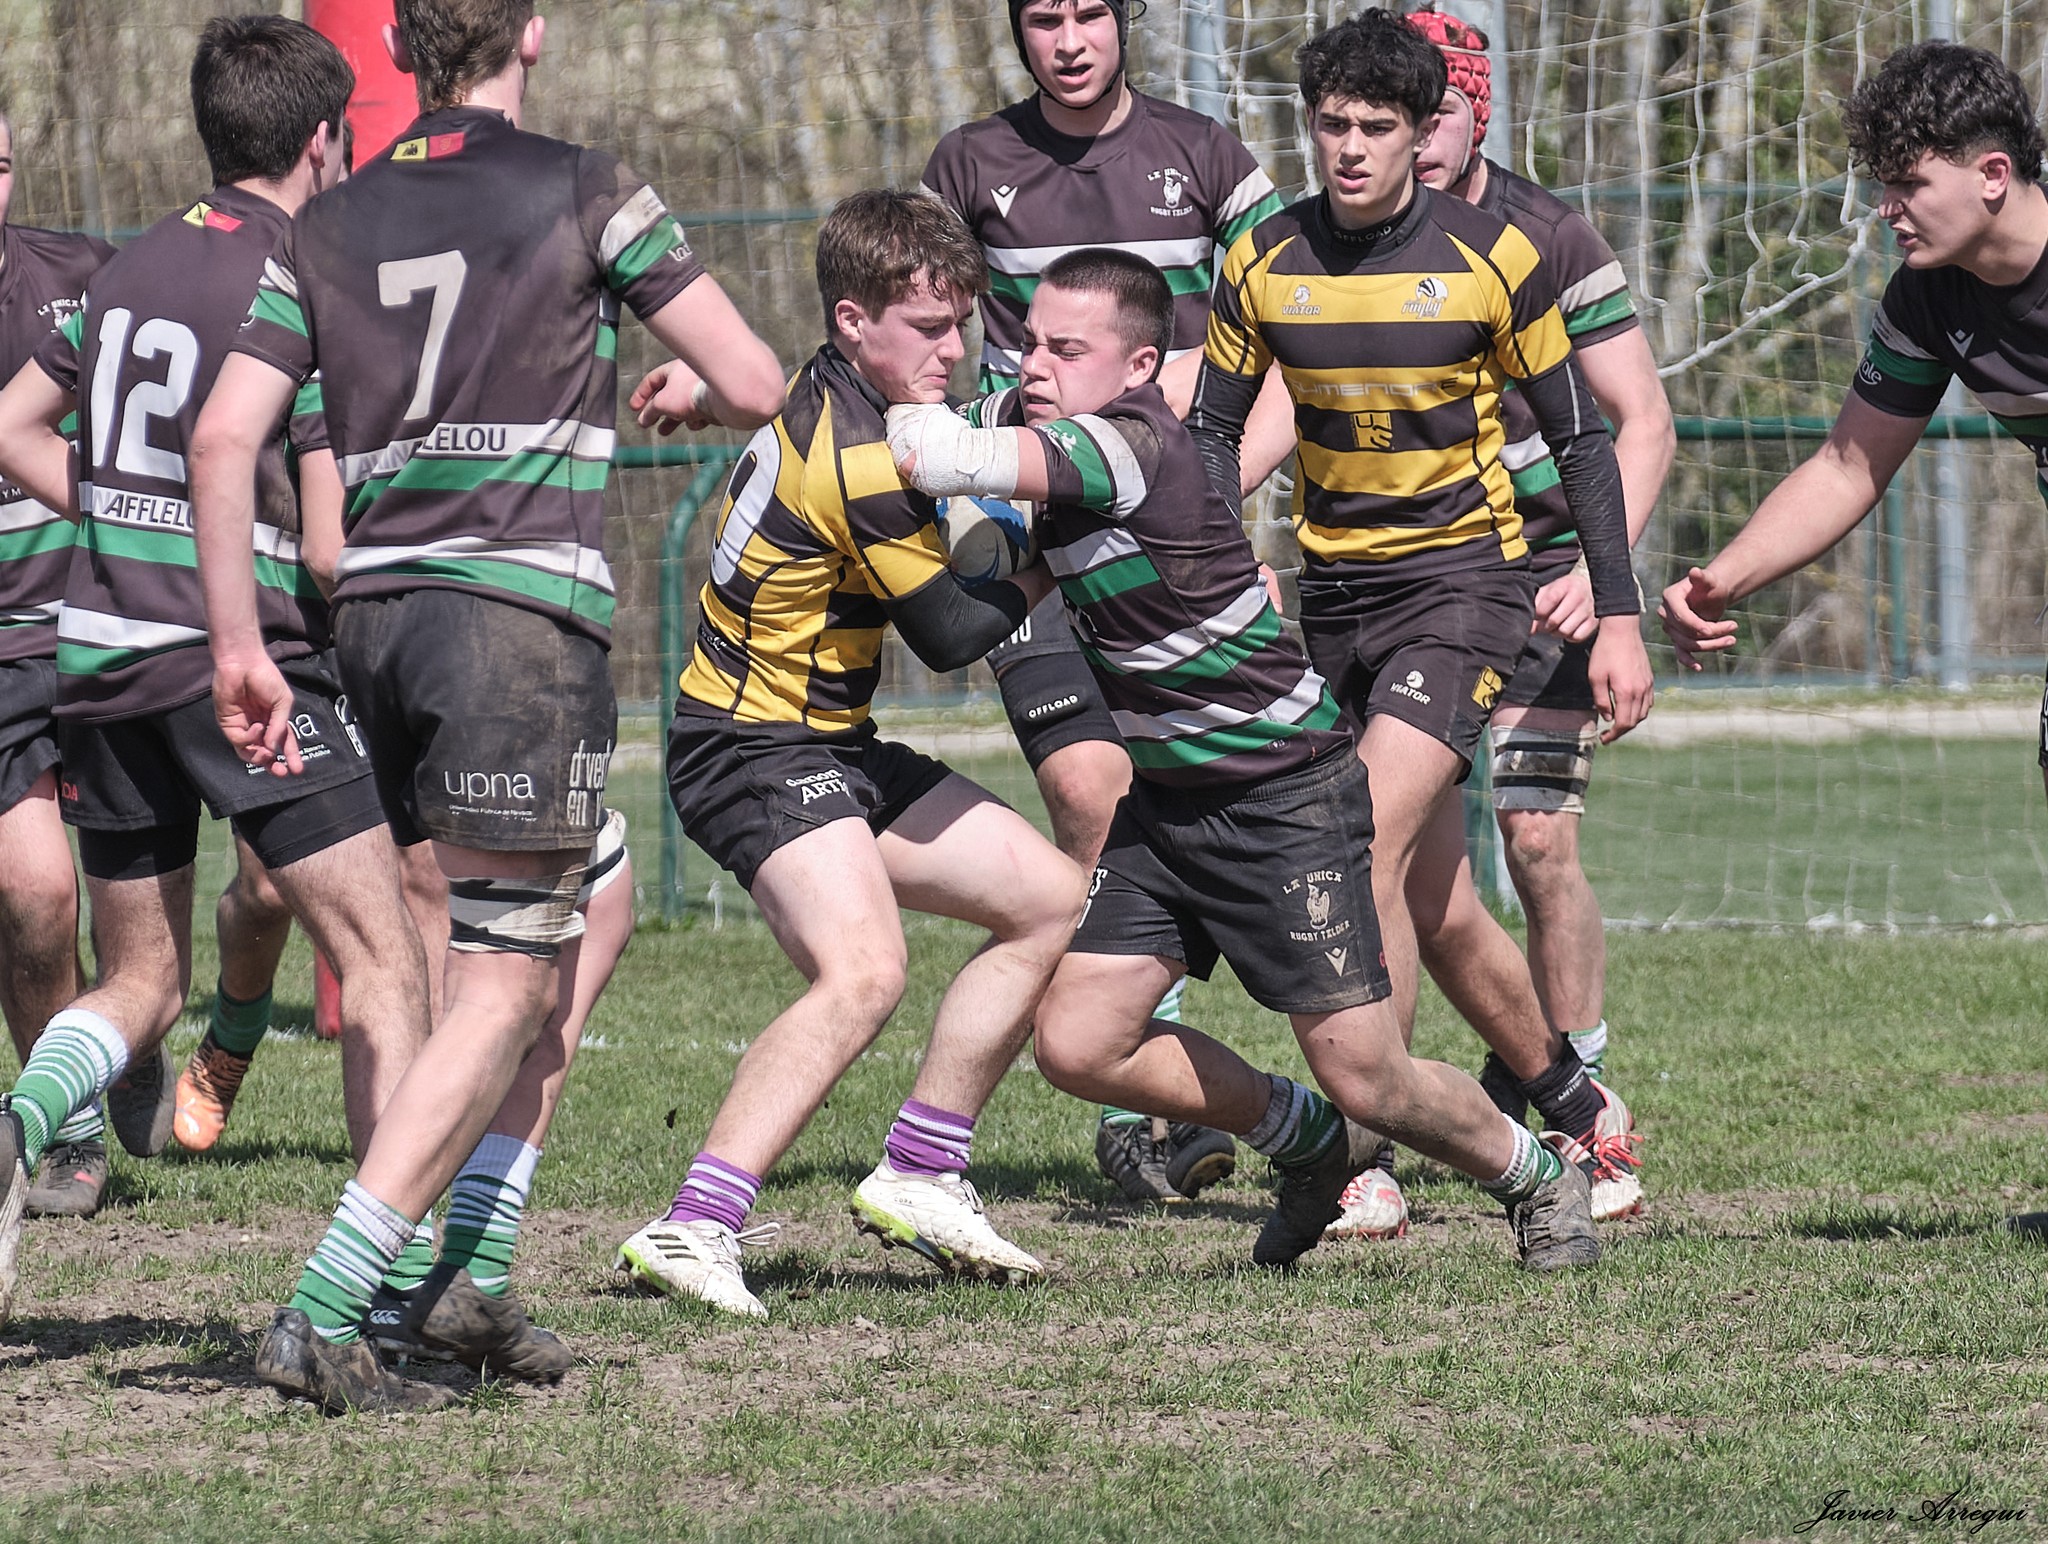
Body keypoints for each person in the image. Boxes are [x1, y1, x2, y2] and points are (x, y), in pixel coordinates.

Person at [191, 0, 785, 1409]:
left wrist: (237, 646)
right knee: (508, 976)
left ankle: (467, 1271)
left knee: (604, 899)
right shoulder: (584, 184)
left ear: (398, 50)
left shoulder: (325, 223)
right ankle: (340, 1301)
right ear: (534, 30)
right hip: (511, 630)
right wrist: (696, 386)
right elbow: (763, 378)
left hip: (375, 627)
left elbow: (225, 436)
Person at [887, 246, 1603, 1269]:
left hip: (1281, 798)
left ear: (1140, 368)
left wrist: (880, 405)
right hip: (1166, 802)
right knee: (1078, 1041)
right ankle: (1305, 1142)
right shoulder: (1052, 454)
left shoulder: (1131, 445)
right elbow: (957, 626)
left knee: (1369, 1076)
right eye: (1029, 342)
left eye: (1066, 348)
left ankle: (1538, 1174)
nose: (1034, 365)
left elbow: (935, 451)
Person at [1187, 10, 1655, 1239]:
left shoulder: (1498, 255)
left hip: (1461, 591)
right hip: (1330, 597)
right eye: (1328, 125)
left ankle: (1363, 1145)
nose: (1347, 149)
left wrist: (1618, 617)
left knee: (1355, 834)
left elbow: (1582, 443)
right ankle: (1571, 1096)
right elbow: (1201, 446)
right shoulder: (1261, 261)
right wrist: (1201, 580)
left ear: (1419, 133)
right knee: (1437, 896)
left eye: (1374, 127)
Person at [0, 17, 433, 1344]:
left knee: (140, 982)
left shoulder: (124, 267)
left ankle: (27, 1111)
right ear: (325, 138)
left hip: (99, 655)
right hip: (235, 658)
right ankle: (397, 1283)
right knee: (387, 963)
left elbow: (15, 424)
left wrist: (124, 511)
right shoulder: (308, 269)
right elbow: (317, 534)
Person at [613, 189, 1084, 1319]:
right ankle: (696, 1220)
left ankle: (921, 1170)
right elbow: (955, 633)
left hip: (827, 742)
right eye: (925, 328)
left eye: (960, 322)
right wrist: (1066, 540)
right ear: (851, 320)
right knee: (865, 969)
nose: (951, 346)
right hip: (747, 748)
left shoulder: (830, 388)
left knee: (1050, 898)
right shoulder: (858, 457)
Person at [1660, 42, 2048, 1240]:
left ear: (1991, 174)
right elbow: (1844, 462)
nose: (1883, 208)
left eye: (1902, 181)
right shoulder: (1927, 297)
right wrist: (1722, 572)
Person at [919, 0, 1291, 1202]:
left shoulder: (1206, 153)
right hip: (1033, 522)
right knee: (1090, 789)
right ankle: (1141, 1099)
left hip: (1169, 549)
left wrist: (1201, 494)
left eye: (1090, 13)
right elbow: (923, 331)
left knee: (1193, 787)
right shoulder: (971, 164)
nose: (1068, 38)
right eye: (1042, 18)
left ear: (1125, 20)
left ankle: (1243, 1066)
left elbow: (1287, 317)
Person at [1323, 7, 1673, 1239]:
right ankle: (1391, 1133)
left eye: (1429, 120)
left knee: (1530, 833)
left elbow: (1636, 421)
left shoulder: (1543, 235)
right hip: (1412, 585)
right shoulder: (1329, 243)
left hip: (1551, 577)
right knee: (1409, 871)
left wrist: (1603, 577)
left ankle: (1573, 1081)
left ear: (1463, 113)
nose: (1402, 151)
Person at [0, 115, 114, 1218]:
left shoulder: (82, 278)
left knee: (246, 890)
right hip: (4, 653)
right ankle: (71, 1126)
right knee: (36, 893)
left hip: (107, 627)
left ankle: (136, 1036)